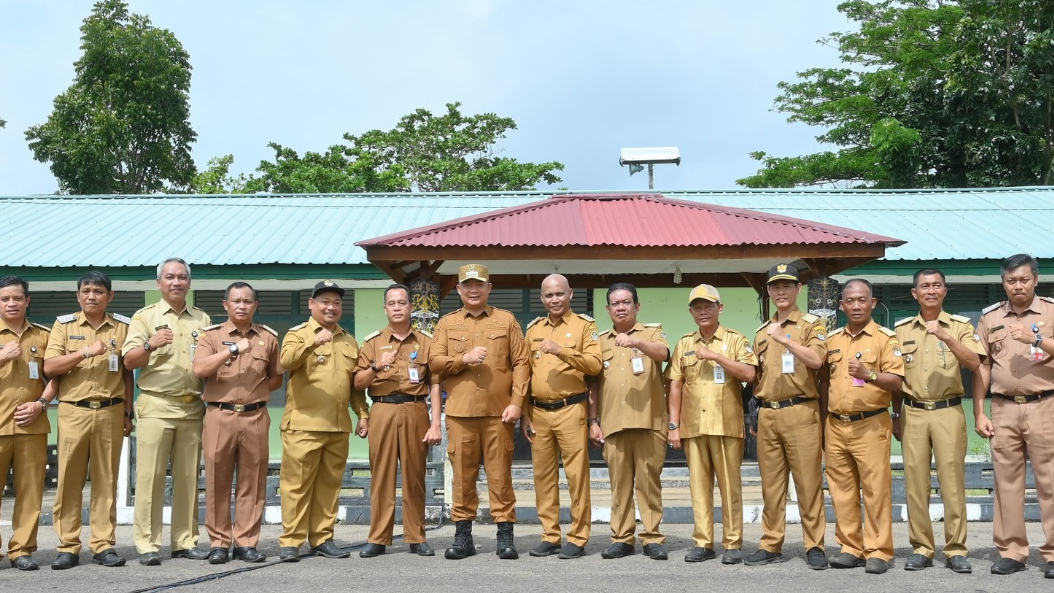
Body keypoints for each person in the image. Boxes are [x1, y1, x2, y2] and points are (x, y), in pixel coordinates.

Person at [430, 264, 529, 560]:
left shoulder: (506, 320)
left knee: (500, 476)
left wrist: (517, 402)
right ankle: (463, 537)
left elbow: (522, 363)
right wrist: (464, 358)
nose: (473, 289)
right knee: (462, 477)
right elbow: (434, 363)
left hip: (499, 413)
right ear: (458, 290)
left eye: (479, 284)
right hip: (461, 415)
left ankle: (505, 536)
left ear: (489, 288)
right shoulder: (447, 323)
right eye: (467, 285)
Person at [122, 258, 211, 566]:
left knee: (188, 477)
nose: (176, 282)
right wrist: (150, 344)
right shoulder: (144, 317)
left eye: (182, 277)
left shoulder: (201, 318)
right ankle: (147, 544)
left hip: (192, 406)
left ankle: (184, 541)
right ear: (159, 283)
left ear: (189, 283)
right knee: (150, 477)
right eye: (170, 277)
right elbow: (129, 361)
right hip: (157, 404)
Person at [893, 269, 983, 574]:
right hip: (913, 411)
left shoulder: (960, 326)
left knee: (952, 482)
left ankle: (956, 549)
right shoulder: (901, 330)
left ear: (945, 291)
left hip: (948, 410)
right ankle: (921, 547)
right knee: (916, 483)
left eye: (936, 286)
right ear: (914, 294)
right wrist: (896, 415)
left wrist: (945, 336)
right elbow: (894, 376)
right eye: (924, 286)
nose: (930, 290)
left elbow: (974, 363)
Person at [44, 272, 134, 570]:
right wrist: (85, 351)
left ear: (110, 296)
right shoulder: (64, 325)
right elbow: (50, 367)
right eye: (86, 291)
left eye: (98, 291)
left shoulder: (123, 326)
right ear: (78, 295)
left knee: (106, 481)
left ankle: (103, 545)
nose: (91, 296)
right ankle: (67, 546)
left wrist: (128, 412)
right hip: (73, 411)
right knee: (69, 480)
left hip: (111, 410)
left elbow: (127, 373)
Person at [973, 253, 1054, 578]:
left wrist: (1034, 338)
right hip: (1003, 408)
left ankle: (1051, 554)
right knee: (1006, 482)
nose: (1017, 286)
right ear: (1003, 283)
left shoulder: (1051, 311)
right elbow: (982, 366)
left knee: (1050, 481)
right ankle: (1012, 551)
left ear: (1035, 279)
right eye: (1010, 281)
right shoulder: (991, 319)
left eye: (1023, 279)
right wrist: (979, 411)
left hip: (1045, 405)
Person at [277, 280, 369, 562]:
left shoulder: (349, 340)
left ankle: (322, 539)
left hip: (338, 427)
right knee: (296, 485)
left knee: (329, 487)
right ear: (311, 305)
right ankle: (291, 542)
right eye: (325, 301)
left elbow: (354, 386)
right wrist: (312, 341)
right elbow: (286, 362)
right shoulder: (298, 334)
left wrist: (362, 415)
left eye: (337, 303)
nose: (331, 307)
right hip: (303, 425)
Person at [192, 282, 283, 564]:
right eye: (236, 301)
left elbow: (276, 377)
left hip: (255, 415)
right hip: (219, 414)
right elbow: (199, 370)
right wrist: (232, 350)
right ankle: (219, 543)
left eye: (247, 301)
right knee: (217, 480)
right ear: (225, 305)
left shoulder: (267, 338)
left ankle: (246, 543)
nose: (241, 305)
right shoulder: (211, 336)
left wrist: (255, 393)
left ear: (256, 305)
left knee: (252, 481)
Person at [666, 284, 757, 565]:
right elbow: (675, 386)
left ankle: (732, 544)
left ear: (720, 308)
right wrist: (673, 426)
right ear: (691, 311)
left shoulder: (735, 340)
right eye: (697, 307)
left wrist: (717, 356)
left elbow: (750, 374)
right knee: (699, 487)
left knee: (731, 486)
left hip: (726, 425)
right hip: (693, 426)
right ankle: (703, 542)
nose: (702, 311)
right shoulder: (684, 344)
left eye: (708, 306)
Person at [746, 264, 828, 570]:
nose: (781, 292)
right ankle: (770, 543)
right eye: (775, 287)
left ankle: (814, 545)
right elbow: (757, 378)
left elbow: (817, 361)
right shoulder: (760, 332)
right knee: (771, 485)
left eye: (787, 286)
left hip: (801, 411)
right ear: (768, 291)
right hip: (768, 414)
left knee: (808, 483)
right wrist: (755, 416)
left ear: (798, 289)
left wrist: (784, 338)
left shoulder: (810, 325)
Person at [820, 278, 904, 575]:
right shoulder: (831, 340)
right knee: (841, 491)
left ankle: (878, 550)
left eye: (862, 300)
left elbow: (896, 382)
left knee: (875, 490)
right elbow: (822, 385)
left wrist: (870, 375)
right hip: (836, 425)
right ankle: (850, 547)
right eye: (850, 301)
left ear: (872, 302)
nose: (856, 305)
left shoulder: (885, 338)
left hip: (870, 424)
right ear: (842, 306)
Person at [354, 283, 443, 558]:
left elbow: (436, 384)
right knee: (381, 475)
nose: (397, 307)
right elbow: (357, 383)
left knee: (415, 475)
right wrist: (376, 366)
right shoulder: (372, 343)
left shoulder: (425, 342)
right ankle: (378, 537)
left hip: (416, 410)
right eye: (391, 303)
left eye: (402, 303)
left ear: (411, 307)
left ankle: (416, 536)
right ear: (384, 308)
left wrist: (436, 423)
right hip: (382, 409)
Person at [587, 283, 670, 560]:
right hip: (613, 424)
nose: (621, 307)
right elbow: (594, 386)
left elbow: (662, 354)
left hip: (648, 422)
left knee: (648, 483)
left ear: (637, 305)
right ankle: (622, 538)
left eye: (626, 302)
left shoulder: (652, 332)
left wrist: (636, 342)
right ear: (608, 309)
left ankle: (652, 537)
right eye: (615, 303)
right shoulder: (599, 340)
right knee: (619, 485)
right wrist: (594, 421)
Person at [521, 274, 601, 559]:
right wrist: (525, 413)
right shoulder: (533, 330)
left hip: (571, 409)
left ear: (571, 294)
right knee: (543, 477)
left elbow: (594, 365)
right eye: (548, 295)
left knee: (576, 476)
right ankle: (550, 534)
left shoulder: (584, 326)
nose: (554, 300)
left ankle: (578, 538)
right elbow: (525, 373)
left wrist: (562, 350)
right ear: (542, 299)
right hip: (539, 412)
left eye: (559, 294)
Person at [0, 276, 57, 571]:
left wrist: (41, 404)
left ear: (27, 301)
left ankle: (22, 549)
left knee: (30, 491)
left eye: (17, 298)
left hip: (31, 427)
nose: (12, 303)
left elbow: (56, 378)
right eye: (5, 298)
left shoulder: (44, 336)